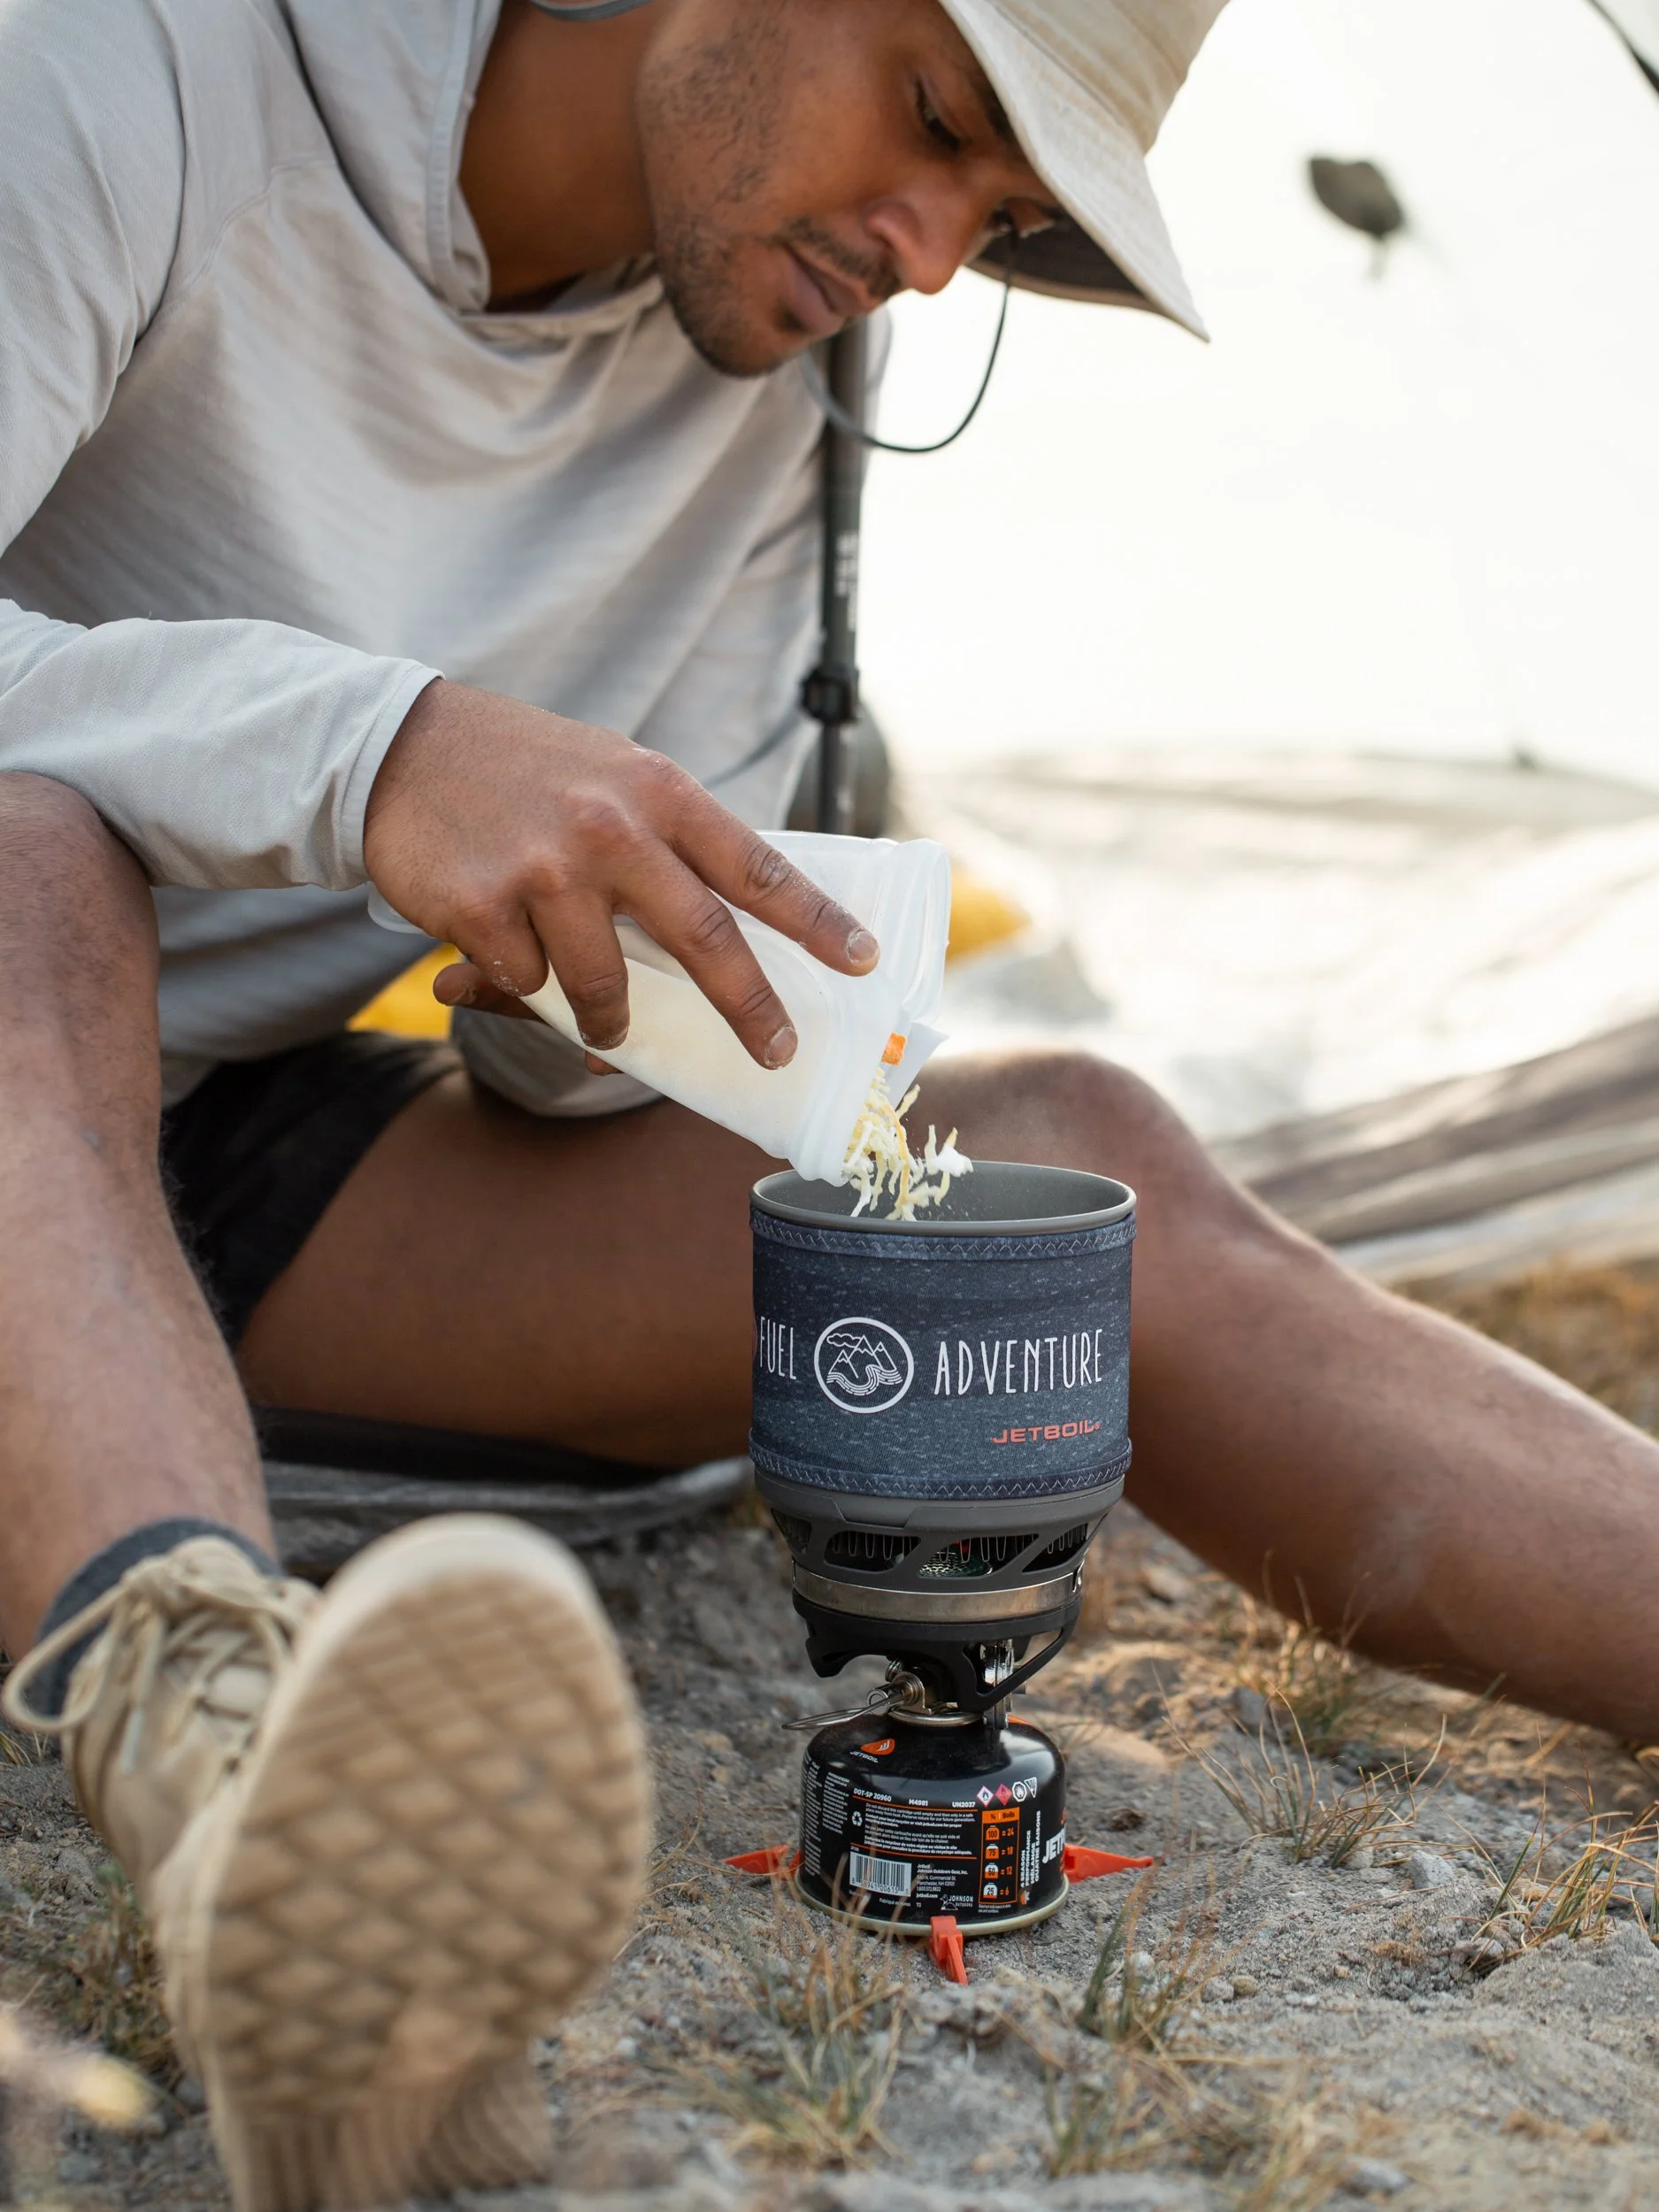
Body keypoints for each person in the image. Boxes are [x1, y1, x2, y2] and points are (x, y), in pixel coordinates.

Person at [4, 0, 1659, 2203]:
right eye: (944, 118)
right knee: (25, 858)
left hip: (219, 1144)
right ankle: (239, 1808)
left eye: (1007, 211)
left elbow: (551, 1055)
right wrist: (375, 744)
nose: (934, 250)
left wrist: (605, 988)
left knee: (1074, 1153)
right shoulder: (124, 65)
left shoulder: (778, 344)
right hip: (32, 1019)